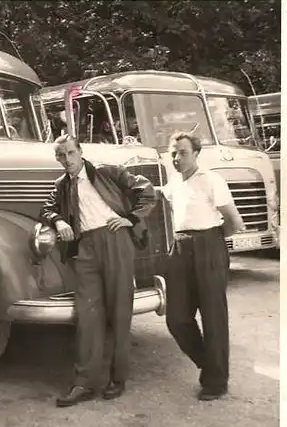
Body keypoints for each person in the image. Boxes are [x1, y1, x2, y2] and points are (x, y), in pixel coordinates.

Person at [39, 134, 156, 407]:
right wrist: (57, 221)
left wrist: (129, 219)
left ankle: (118, 378)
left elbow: (147, 190)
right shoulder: (61, 185)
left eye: (70, 153)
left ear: (80, 152)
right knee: (87, 315)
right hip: (86, 248)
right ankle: (84, 383)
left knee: (119, 309)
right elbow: (46, 209)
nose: (66, 160)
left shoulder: (106, 171)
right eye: (60, 156)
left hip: (115, 238)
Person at [162, 132, 245, 401]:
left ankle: (216, 382)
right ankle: (210, 364)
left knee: (213, 317)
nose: (176, 158)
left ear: (196, 154)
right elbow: (159, 196)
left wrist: (213, 242)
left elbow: (235, 222)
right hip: (180, 247)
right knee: (176, 317)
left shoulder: (211, 180)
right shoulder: (174, 181)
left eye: (183, 152)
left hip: (209, 244)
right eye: (173, 153)